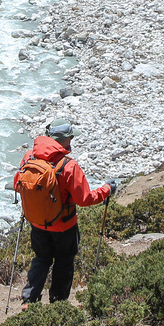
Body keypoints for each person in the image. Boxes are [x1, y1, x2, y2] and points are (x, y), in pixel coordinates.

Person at [15, 119, 116, 307]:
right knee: (63, 262)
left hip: (37, 223)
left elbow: (17, 185)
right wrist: (106, 190)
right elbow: (85, 199)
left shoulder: (29, 157)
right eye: (70, 137)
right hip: (64, 227)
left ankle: (29, 300)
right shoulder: (68, 166)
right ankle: (58, 304)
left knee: (41, 259)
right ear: (65, 140)